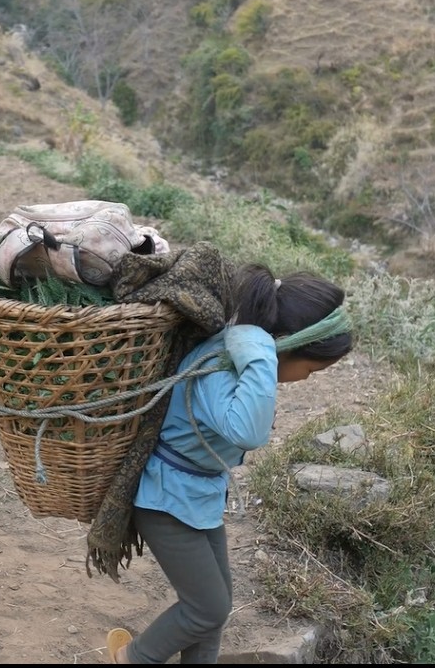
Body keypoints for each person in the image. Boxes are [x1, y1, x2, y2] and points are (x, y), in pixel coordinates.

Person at [106, 263, 354, 664]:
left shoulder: (234, 359)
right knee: (207, 608)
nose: (309, 379)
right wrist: (260, 355)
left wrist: (258, 355)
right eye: (312, 369)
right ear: (282, 345)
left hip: (195, 495)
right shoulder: (221, 366)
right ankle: (133, 659)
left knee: (214, 611)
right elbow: (249, 433)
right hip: (166, 500)